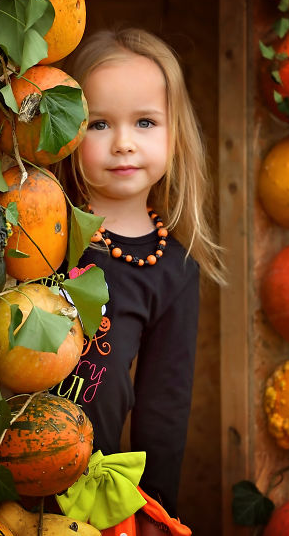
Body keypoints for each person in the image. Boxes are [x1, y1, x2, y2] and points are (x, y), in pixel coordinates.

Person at [51, 27, 225, 533]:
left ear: (176, 134)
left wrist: (156, 506)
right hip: (1, 459)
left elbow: (164, 402)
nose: (123, 143)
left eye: (145, 122)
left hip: (87, 486)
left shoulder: (174, 265)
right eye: (100, 124)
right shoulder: (45, 227)